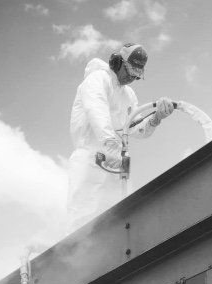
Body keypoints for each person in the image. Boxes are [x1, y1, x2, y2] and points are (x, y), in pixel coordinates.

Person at [67, 43, 174, 228]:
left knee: (120, 215)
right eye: (130, 70)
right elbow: (96, 110)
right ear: (117, 62)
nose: (133, 77)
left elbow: (135, 127)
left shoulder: (128, 95)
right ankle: (76, 253)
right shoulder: (97, 79)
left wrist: (157, 117)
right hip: (90, 159)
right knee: (82, 217)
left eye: (137, 74)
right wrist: (110, 144)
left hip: (115, 160)